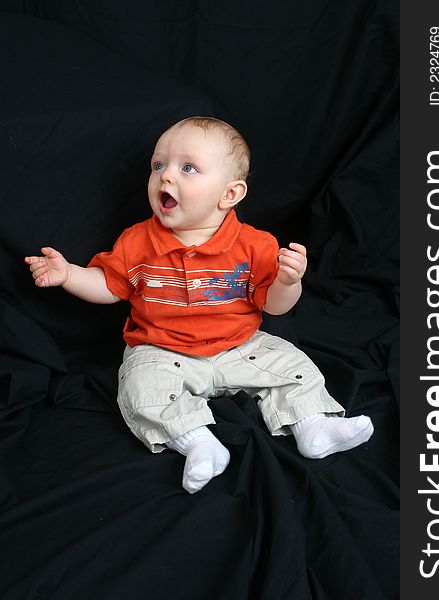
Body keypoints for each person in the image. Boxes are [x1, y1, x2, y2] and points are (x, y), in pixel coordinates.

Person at [25, 116, 373, 494]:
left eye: (187, 168)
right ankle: (198, 442)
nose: (166, 176)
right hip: (161, 349)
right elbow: (110, 286)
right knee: (139, 389)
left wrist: (290, 282)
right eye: (158, 165)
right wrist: (69, 275)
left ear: (230, 194)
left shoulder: (255, 246)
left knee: (290, 362)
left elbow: (274, 308)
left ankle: (312, 425)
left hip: (240, 346)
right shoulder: (137, 240)